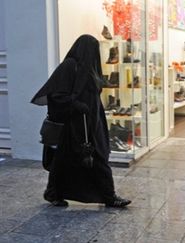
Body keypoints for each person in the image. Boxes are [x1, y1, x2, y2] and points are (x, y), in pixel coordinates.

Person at [31, 34, 131, 208]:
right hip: (73, 127)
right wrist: (76, 104)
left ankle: (108, 196)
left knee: (98, 156)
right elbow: (55, 95)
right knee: (64, 161)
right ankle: (54, 193)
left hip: (92, 124)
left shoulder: (90, 69)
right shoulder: (69, 66)